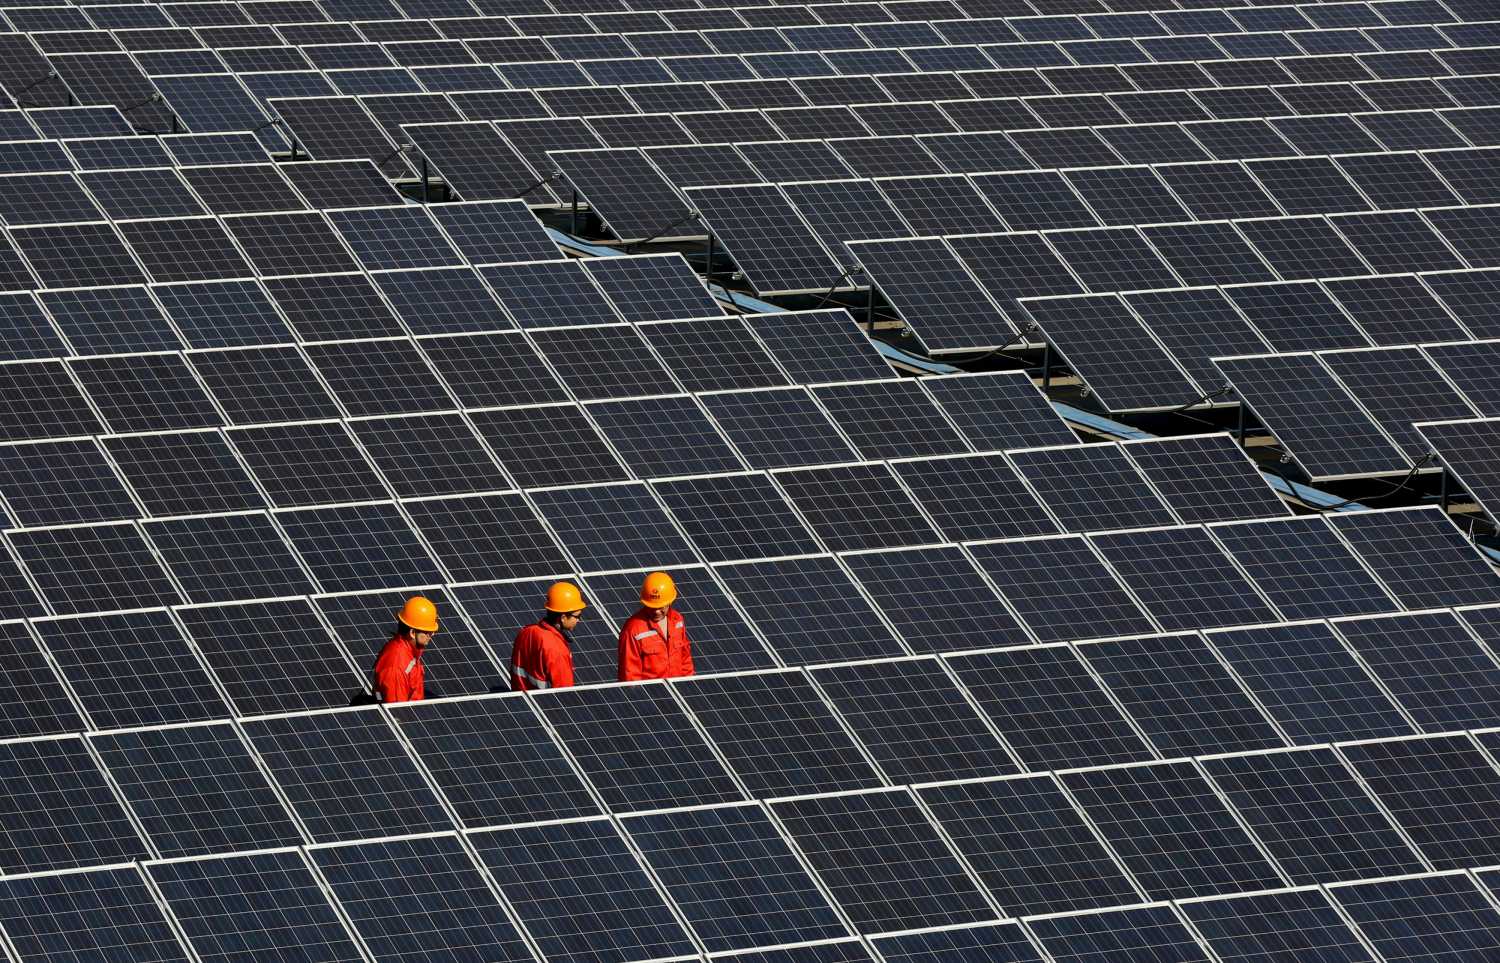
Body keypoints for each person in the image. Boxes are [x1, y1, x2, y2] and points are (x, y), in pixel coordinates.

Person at [618, 571, 694, 682]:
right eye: (652, 607)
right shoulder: (633, 630)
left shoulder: (677, 620)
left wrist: (689, 683)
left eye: (661, 607)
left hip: (679, 689)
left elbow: (685, 659)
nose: (657, 611)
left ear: (670, 602)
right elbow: (629, 675)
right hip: (650, 692)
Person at [511, 581, 582, 691]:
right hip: (545, 702)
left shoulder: (526, 632)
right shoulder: (557, 649)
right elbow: (565, 692)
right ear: (563, 617)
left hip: (519, 699)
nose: (579, 620)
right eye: (577, 616)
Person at [372, 596, 438, 704]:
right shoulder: (396, 667)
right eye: (427, 632)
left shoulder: (409, 650)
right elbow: (398, 710)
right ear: (412, 633)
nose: (432, 634)